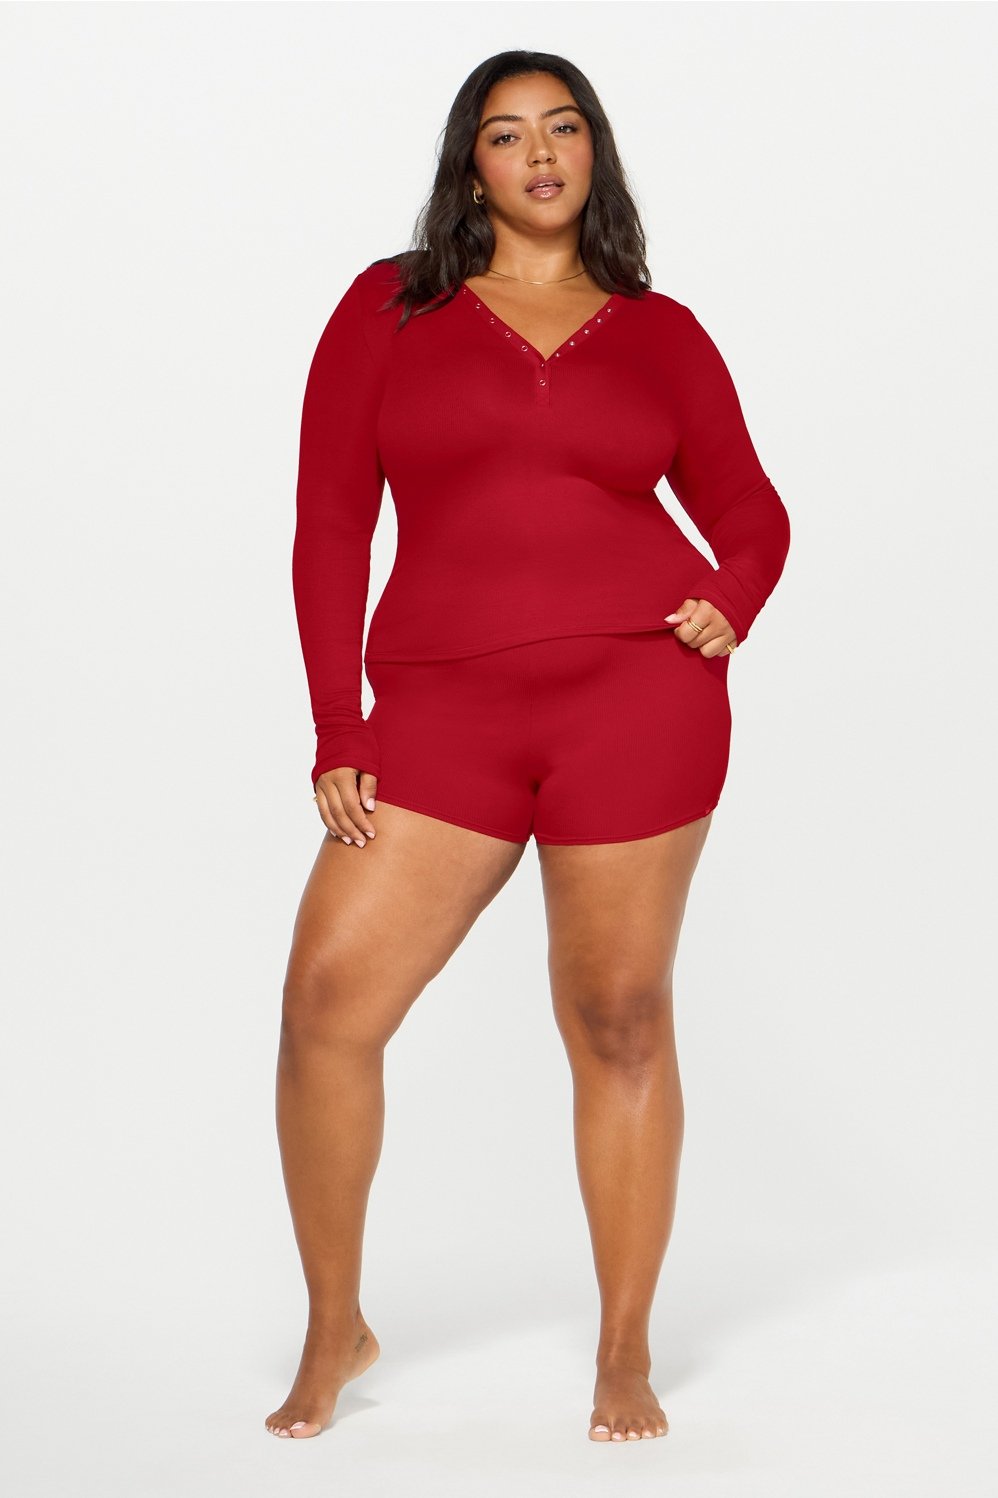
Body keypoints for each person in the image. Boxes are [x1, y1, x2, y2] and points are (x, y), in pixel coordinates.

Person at [266, 50, 791, 1444]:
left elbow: (751, 513)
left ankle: (624, 1347)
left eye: (563, 128)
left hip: (637, 701)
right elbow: (330, 525)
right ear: (472, 168)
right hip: (441, 713)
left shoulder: (661, 331)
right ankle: (335, 1322)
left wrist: (730, 599)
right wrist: (337, 723)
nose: (540, 153)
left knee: (618, 1015)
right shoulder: (389, 308)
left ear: (594, 153)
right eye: (507, 135)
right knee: (328, 1001)